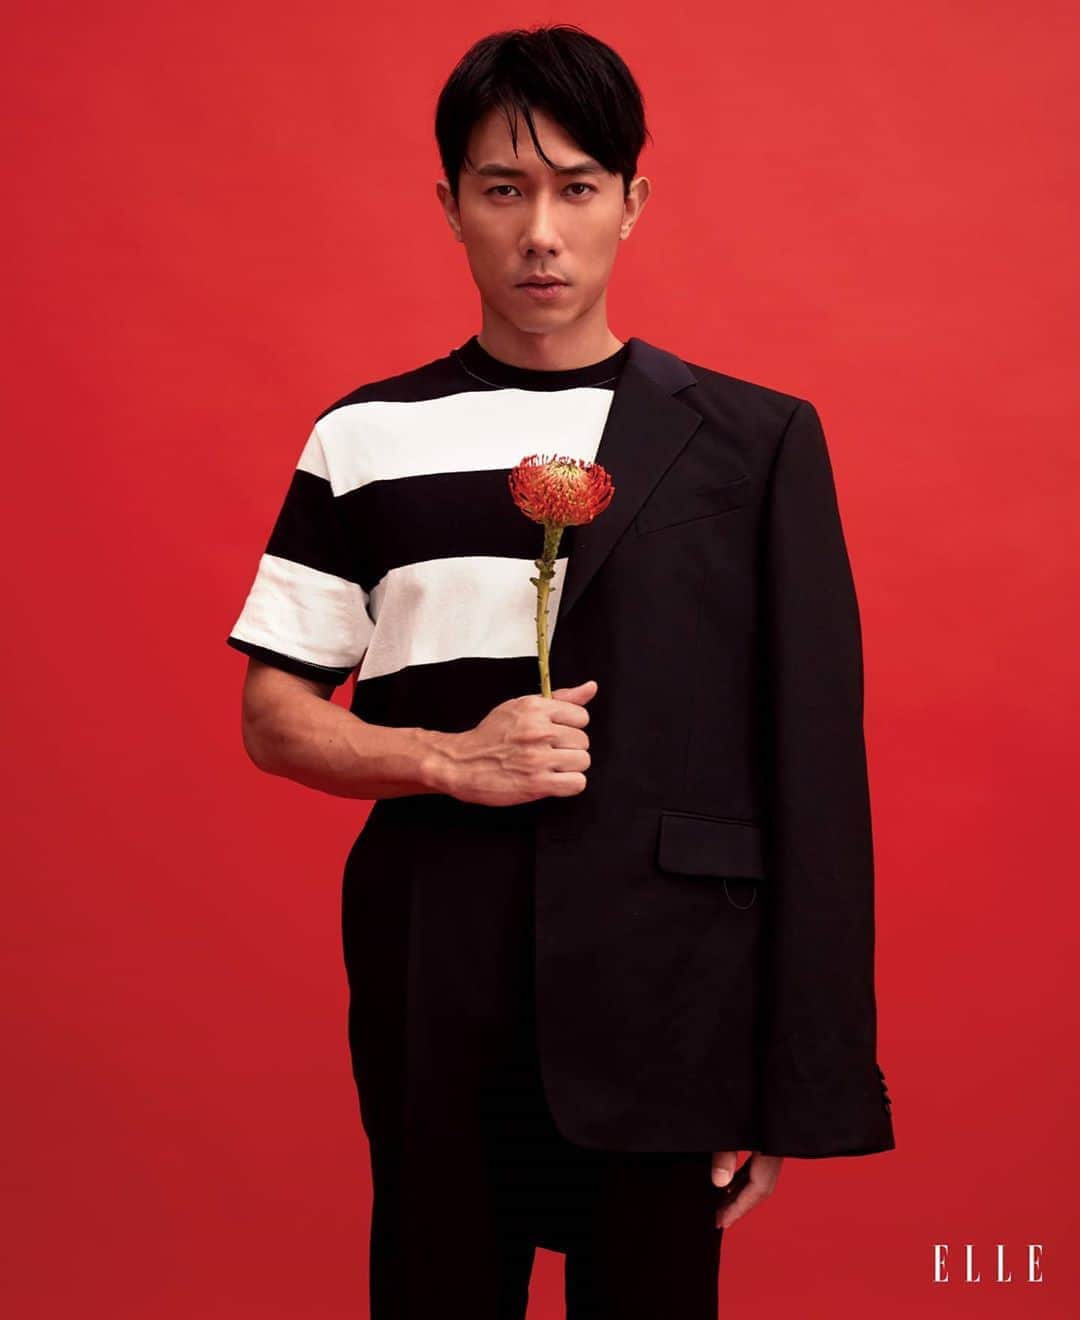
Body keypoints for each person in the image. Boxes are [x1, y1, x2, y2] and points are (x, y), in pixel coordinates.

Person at [226, 23, 895, 1319]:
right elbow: (272, 716)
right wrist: (446, 758)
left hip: (673, 1003)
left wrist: (786, 1078)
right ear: (450, 206)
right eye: (503, 189)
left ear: (632, 203)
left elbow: (815, 780)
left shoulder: (753, 443)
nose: (541, 232)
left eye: (578, 188)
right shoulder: (362, 438)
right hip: (434, 980)